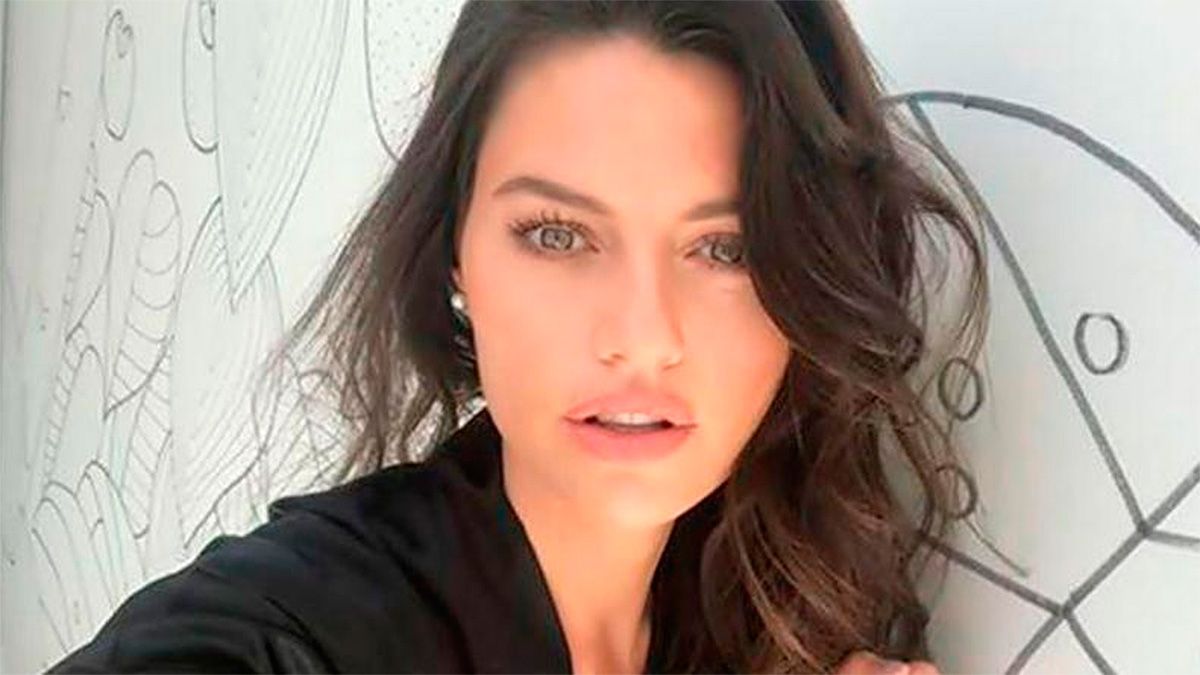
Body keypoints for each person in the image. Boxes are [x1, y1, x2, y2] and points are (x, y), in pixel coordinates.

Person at [49, 1, 987, 673]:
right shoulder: (306, 622)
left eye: (727, 248)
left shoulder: (765, 613)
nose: (641, 335)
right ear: (455, 252)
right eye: (557, 235)